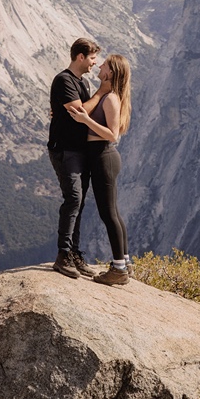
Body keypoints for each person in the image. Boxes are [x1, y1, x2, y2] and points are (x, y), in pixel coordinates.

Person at [69, 52, 132, 286]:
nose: (99, 67)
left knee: (108, 214)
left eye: (103, 65)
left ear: (111, 72)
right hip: (100, 156)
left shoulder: (111, 99)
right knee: (112, 212)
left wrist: (86, 121)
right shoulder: (107, 95)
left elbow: (112, 134)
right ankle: (125, 263)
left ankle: (118, 269)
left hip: (103, 156)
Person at [47, 36, 99, 278]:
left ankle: (74, 253)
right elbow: (80, 112)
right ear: (80, 57)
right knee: (73, 199)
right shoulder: (64, 80)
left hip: (79, 150)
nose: (94, 63)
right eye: (92, 58)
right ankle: (63, 255)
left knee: (79, 202)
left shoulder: (82, 82)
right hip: (65, 149)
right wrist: (103, 92)